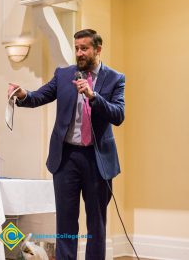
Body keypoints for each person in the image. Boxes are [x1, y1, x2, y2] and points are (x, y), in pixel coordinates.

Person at [8, 29, 125, 260]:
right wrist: (23, 94)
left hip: (96, 160)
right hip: (66, 158)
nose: (79, 53)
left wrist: (94, 96)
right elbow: (39, 96)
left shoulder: (115, 78)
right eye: (77, 48)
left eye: (85, 48)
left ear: (98, 50)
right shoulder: (63, 75)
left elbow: (118, 114)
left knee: (96, 226)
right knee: (66, 224)